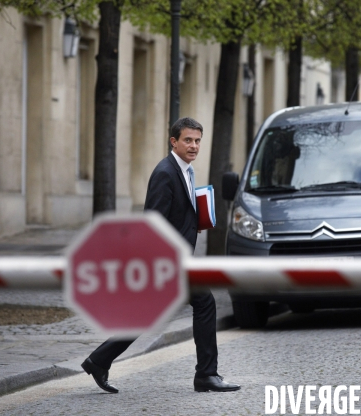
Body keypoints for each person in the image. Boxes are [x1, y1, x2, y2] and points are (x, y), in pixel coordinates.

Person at [81, 117, 241, 394]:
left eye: (198, 140)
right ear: (174, 142)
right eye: (188, 140)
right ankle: (206, 375)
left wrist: (193, 223)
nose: (194, 146)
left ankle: (98, 360)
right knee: (205, 303)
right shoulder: (166, 172)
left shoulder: (184, 170)